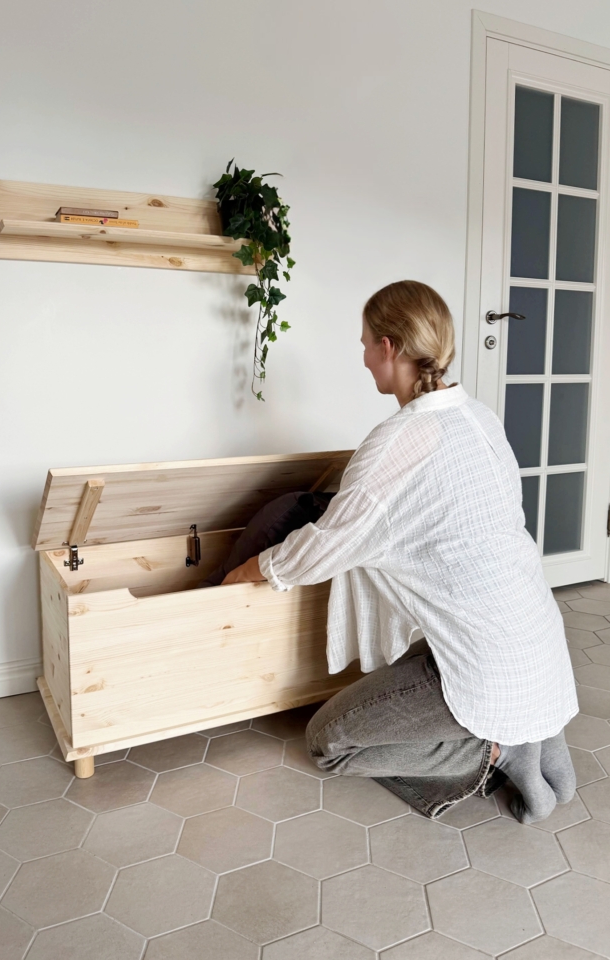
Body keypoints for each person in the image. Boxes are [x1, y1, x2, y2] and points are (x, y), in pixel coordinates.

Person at [222, 279, 578, 823]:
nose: (364, 358)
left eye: (366, 343)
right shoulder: (479, 419)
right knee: (409, 671)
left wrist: (253, 569)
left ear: (389, 347)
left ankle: (502, 750)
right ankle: (534, 727)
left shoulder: (398, 441)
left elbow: (326, 546)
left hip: (484, 666)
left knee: (327, 742)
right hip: (537, 643)